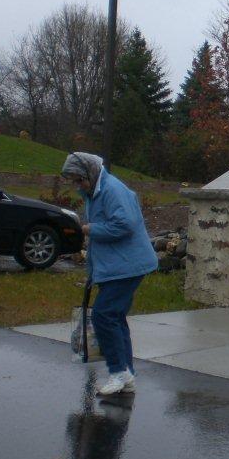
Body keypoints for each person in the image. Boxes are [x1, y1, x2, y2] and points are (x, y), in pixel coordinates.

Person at [62, 152, 158, 397]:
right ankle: (127, 374)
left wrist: (89, 229)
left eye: (78, 180)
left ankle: (118, 373)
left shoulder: (112, 190)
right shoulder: (94, 191)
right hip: (117, 266)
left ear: (89, 174)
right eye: (73, 181)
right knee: (115, 318)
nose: (77, 186)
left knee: (104, 316)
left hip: (127, 266)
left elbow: (125, 224)